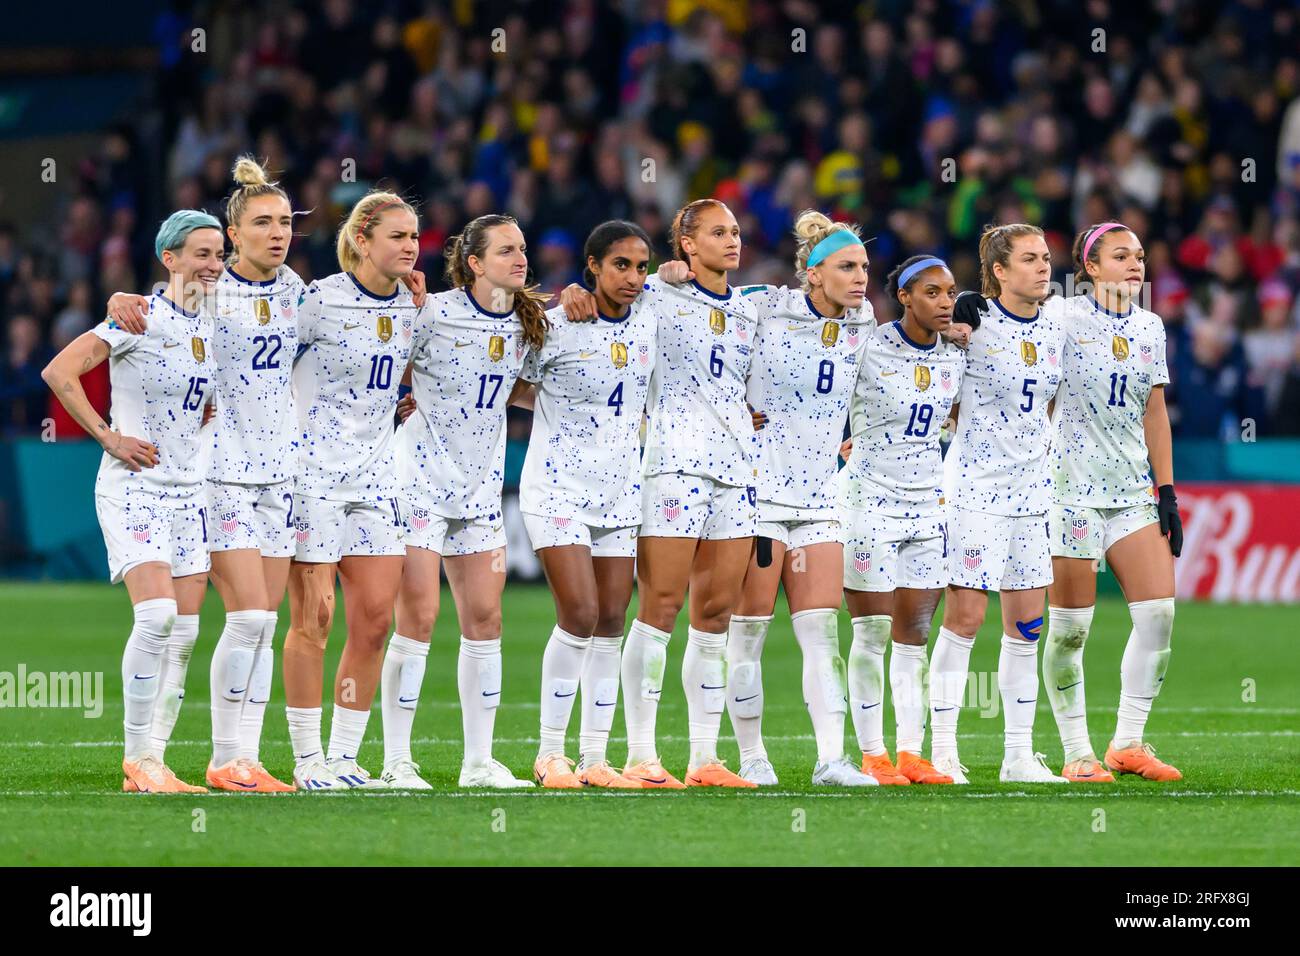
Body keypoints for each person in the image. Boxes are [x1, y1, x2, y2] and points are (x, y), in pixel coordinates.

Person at [654, 209, 880, 786]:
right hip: (754, 494)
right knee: (746, 632)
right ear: (812, 273)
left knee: (821, 632)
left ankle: (833, 758)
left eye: (864, 267)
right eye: (846, 267)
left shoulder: (866, 320)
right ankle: (751, 754)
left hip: (820, 497)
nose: (860, 278)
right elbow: (708, 316)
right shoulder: (762, 305)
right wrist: (671, 275)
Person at [107, 156, 303, 792]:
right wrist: (118, 298)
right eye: (263, 223)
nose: (278, 233)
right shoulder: (210, 290)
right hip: (216, 474)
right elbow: (157, 310)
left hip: (280, 474)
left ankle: (240, 757)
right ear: (234, 232)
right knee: (238, 618)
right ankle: (206, 755)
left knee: (260, 623)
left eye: (285, 222)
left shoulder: (298, 291)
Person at [561, 198, 759, 788]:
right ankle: (641, 754)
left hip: (738, 470)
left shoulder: (751, 313)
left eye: (736, 231)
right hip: (674, 464)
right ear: (687, 245)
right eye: (717, 232)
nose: (732, 241)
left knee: (717, 611)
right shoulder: (656, 294)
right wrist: (573, 291)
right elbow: (597, 299)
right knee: (661, 608)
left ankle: (704, 758)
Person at [42, 210, 224, 793]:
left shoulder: (216, 323)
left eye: (218, 254)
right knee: (157, 616)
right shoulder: (138, 316)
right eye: (200, 253)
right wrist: (109, 436)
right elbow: (60, 370)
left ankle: (153, 762)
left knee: (187, 631)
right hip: (136, 490)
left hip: (190, 493)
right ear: (169, 259)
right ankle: (137, 757)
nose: (213, 265)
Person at [387, 213, 548, 789]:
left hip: (479, 490)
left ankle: (478, 763)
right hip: (420, 482)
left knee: (486, 620)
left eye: (522, 248)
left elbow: (530, 387)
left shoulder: (529, 327)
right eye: (506, 250)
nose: (520, 258)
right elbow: (382, 364)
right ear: (474, 264)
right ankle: (397, 761)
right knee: (420, 618)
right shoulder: (435, 312)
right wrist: (401, 398)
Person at [283, 191, 421, 790]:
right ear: (362, 240)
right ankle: (307, 758)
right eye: (398, 236)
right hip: (315, 476)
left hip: (380, 477)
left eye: (415, 236)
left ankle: (344, 757)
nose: (411, 246)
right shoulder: (318, 300)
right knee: (314, 618)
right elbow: (257, 362)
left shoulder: (418, 308)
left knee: (372, 623)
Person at [517, 221, 655, 789]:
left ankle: (596, 759)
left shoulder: (653, 317)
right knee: (578, 614)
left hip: (621, 488)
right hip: (558, 487)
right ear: (592, 266)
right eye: (620, 265)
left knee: (611, 622)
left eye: (642, 266)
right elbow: (511, 385)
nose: (633, 277)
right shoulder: (558, 324)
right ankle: (551, 754)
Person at [1045, 222, 1183, 782]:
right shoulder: (1059, 317)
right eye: (1121, 256)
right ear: (1090, 267)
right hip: (1067, 491)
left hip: (1130, 493)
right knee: (1071, 628)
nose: (1135, 265)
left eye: (1140, 256)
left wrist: (1166, 490)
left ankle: (1128, 742)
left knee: (1159, 617)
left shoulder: (1150, 327)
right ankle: (1077, 753)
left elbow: (1155, 411)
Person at [933, 223, 1069, 784]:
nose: (1044, 267)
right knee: (965, 618)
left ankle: (1017, 756)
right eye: (1031, 259)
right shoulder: (969, 323)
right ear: (998, 272)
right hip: (972, 492)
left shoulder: (1059, 324)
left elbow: (1056, 400)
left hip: (1033, 494)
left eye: (1046, 258)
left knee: (1028, 626)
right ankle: (941, 751)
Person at [839, 255, 967, 786]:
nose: (945, 302)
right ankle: (874, 755)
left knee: (913, 633)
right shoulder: (867, 346)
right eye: (932, 293)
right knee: (870, 632)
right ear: (906, 297)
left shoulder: (957, 356)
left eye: (951, 293)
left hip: (928, 505)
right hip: (869, 502)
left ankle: (912, 754)